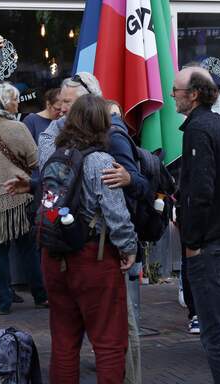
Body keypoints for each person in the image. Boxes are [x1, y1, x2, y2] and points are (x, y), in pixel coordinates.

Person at [32, 73, 149, 383]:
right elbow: (116, 215)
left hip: (54, 255)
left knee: (64, 342)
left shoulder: (52, 154)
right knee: (109, 342)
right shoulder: (100, 161)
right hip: (93, 258)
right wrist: (129, 248)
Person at [173, 67, 220, 383]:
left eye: (176, 90)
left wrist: (192, 241)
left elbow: (200, 191)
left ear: (193, 95)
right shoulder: (217, 124)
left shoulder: (199, 129)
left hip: (212, 243)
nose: (172, 95)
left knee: (214, 331)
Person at [0, 83, 48, 315]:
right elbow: (36, 161)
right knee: (28, 249)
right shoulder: (18, 128)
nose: (18, 103)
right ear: (4, 103)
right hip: (19, 197)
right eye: (14, 99)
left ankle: (3, 301)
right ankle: (40, 295)